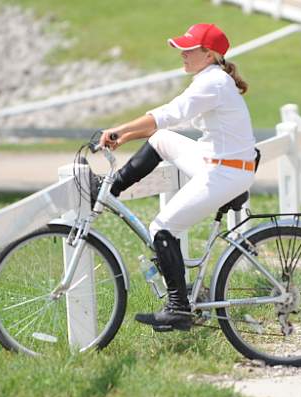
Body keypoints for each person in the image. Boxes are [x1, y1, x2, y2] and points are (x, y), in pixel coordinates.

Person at [98, 23, 257, 331]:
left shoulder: (212, 82)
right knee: (161, 139)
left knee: (161, 227)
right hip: (218, 162)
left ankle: (178, 308)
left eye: (189, 49)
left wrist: (119, 128)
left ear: (208, 54)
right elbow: (165, 121)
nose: (182, 54)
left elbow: (170, 113)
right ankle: (112, 189)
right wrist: (127, 135)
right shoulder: (210, 78)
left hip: (226, 171)